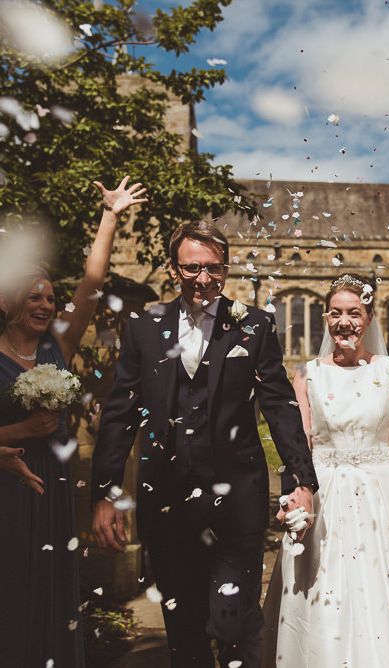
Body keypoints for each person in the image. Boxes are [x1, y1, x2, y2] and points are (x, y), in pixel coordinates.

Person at [90, 220, 318, 668]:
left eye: (213, 268)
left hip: (238, 503)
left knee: (233, 622)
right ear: (175, 269)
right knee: (184, 629)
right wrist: (105, 493)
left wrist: (302, 481)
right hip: (166, 502)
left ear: (226, 269)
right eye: (192, 268)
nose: (203, 279)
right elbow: (120, 414)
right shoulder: (144, 327)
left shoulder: (254, 326)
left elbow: (279, 405)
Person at [261, 273, 389, 668]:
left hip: (382, 498)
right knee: (324, 595)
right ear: (326, 319)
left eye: (354, 313)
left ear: (369, 318)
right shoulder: (307, 375)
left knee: (388, 594)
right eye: (335, 313)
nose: (344, 322)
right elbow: (297, 447)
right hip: (326, 497)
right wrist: (294, 500)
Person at [0, 176, 147, 668]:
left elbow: (91, 285)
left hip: (53, 484)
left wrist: (110, 217)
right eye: (34, 297)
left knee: (52, 583)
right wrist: (21, 432)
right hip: (7, 486)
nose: (45, 305)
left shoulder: (55, 347)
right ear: (7, 303)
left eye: (49, 298)